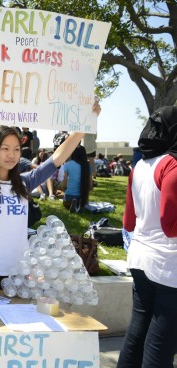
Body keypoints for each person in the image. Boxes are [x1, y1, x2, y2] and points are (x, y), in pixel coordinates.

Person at [0, 80, 101, 289]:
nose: (11, 155)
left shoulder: (25, 182)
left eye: (16, 149)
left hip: (20, 272)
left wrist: (84, 124)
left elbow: (57, 158)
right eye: (5, 148)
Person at [117, 106, 177, 368]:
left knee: (137, 332)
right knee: (160, 343)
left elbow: (128, 222)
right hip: (168, 265)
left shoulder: (139, 165)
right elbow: (170, 226)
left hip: (139, 258)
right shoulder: (173, 165)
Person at [61, 145, 92, 213]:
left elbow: (64, 184)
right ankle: (80, 204)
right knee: (83, 201)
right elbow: (90, 187)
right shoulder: (87, 166)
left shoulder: (67, 164)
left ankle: (73, 204)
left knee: (66, 203)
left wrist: (64, 190)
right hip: (83, 196)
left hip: (69, 195)